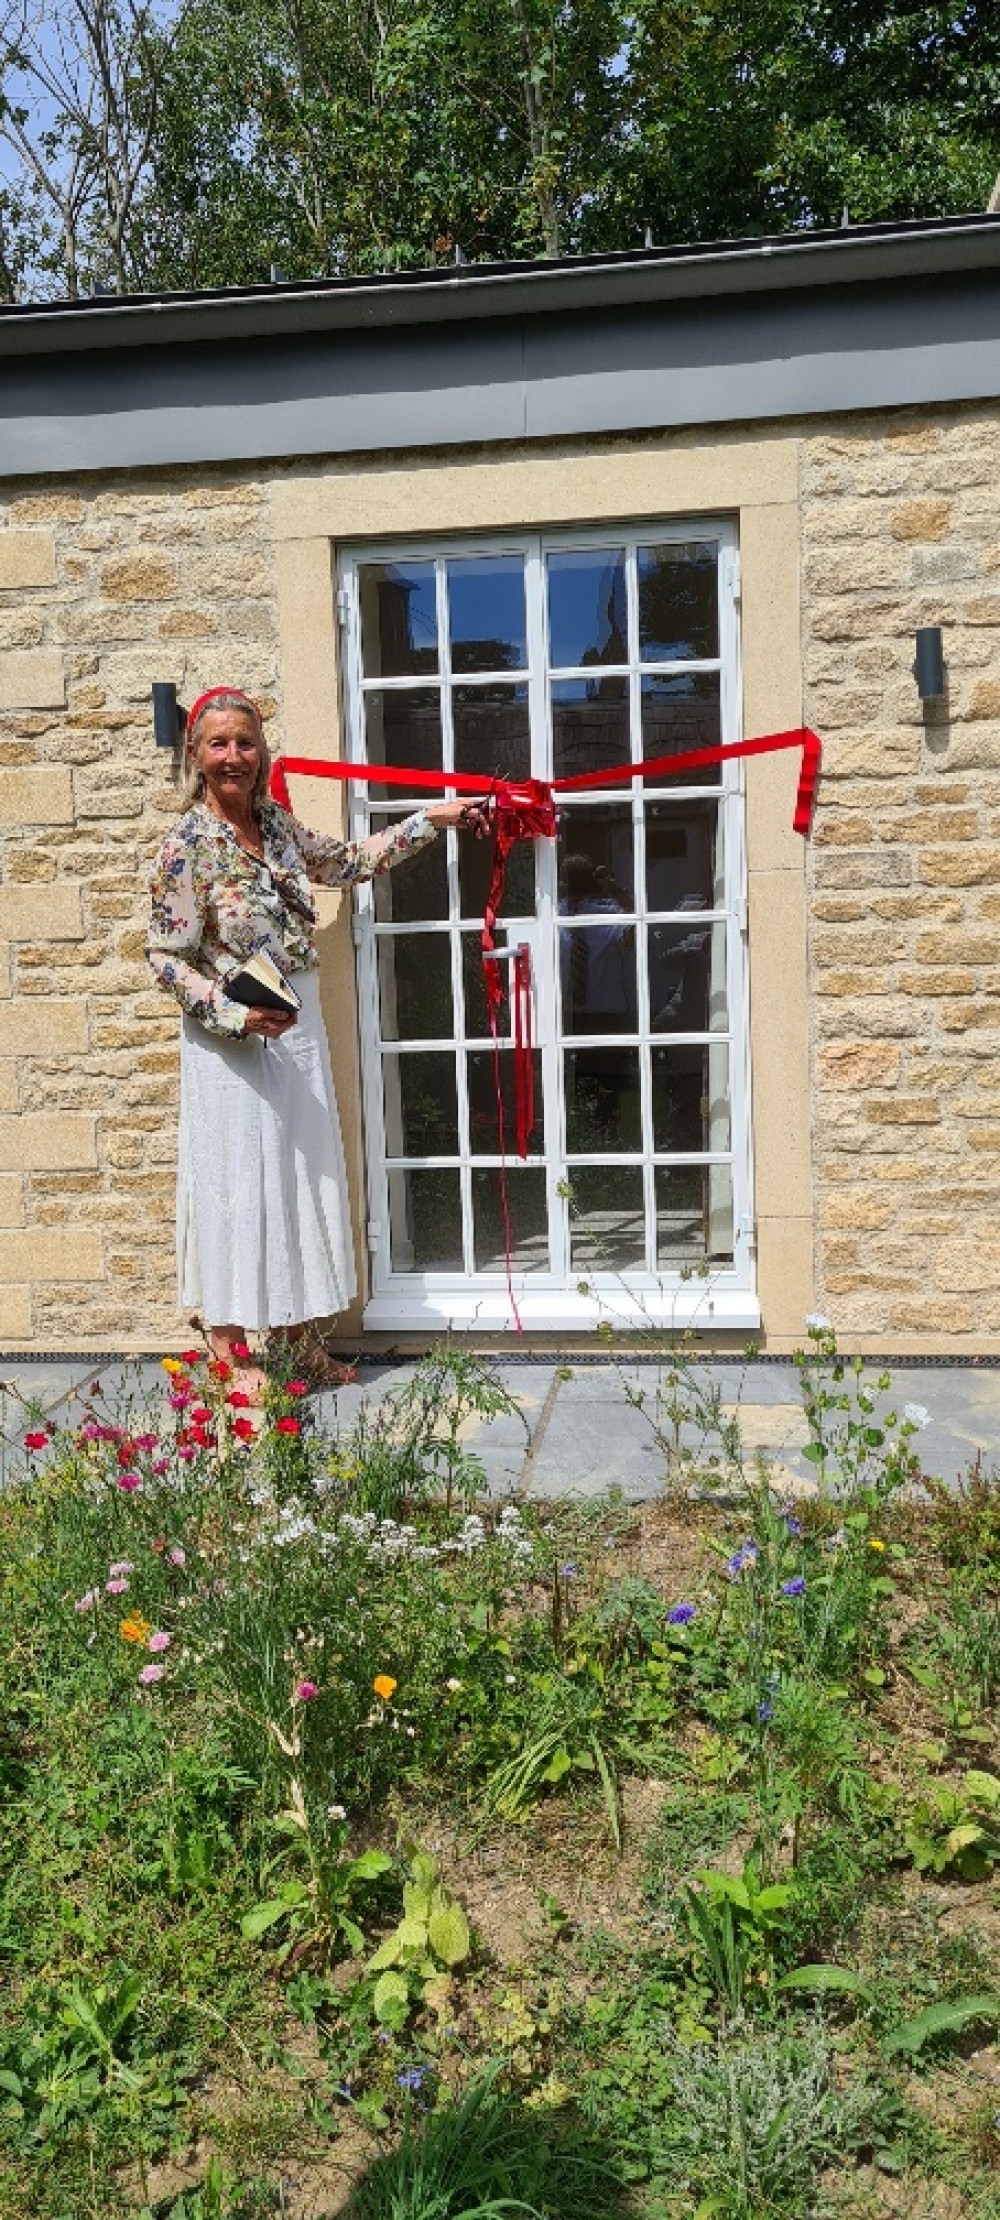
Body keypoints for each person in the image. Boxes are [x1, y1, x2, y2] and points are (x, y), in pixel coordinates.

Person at [147, 686, 488, 1395]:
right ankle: (230, 1352)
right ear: (195, 754)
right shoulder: (185, 847)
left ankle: (298, 1345)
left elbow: (347, 864)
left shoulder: (275, 826)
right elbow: (166, 958)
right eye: (219, 743)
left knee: (301, 1179)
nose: (234, 756)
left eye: (246, 742)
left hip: (295, 1031)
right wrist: (233, 1016)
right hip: (231, 1046)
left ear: (261, 751)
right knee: (237, 1186)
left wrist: (432, 817)